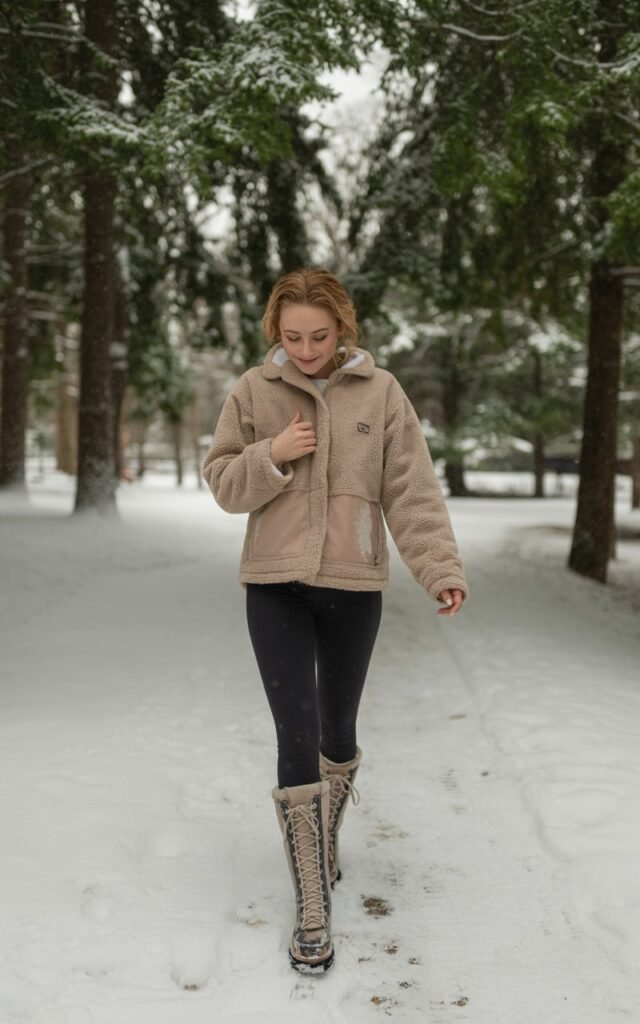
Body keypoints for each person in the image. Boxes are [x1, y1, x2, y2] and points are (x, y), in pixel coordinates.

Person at [202, 267, 469, 975]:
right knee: (294, 739)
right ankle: (312, 904)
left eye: (319, 335)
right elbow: (224, 482)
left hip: (353, 586)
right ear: (275, 332)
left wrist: (440, 567)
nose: (308, 347)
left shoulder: (381, 394)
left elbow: (412, 490)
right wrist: (272, 456)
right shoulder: (254, 392)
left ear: (342, 328)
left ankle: (321, 838)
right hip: (275, 589)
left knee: (336, 736)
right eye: (293, 336)